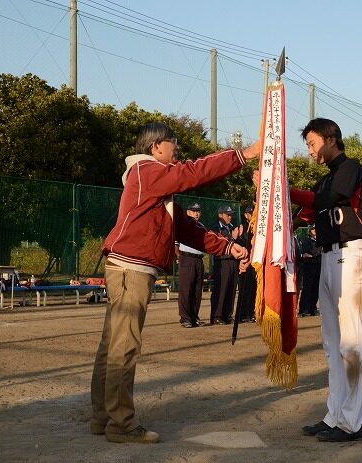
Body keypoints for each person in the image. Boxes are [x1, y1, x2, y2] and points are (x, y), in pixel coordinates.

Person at [91, 122, 259, 444]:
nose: (177, 148)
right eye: (173, 142)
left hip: (128, 269)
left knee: (112, 347)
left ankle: (104, 417)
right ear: (156, 147)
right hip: (131, 270)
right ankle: (120, 424)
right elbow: (193, 172)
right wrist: (244, 154)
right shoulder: (147, 171)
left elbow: (186, 228)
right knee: (123, 348)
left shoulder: (155, 184)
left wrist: (227, 246)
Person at [288, 118, 362, 442]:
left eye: (312, 143)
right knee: (332, 344)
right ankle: (335, 414)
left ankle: (353, 422)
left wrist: (287, 187)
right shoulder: (324, 181)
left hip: (351, 256)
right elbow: (304, 213)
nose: (310, 151)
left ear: (330, 138)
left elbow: (327, 199)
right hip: (327, 258)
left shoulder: (351, 169)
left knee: (351, 343)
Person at [176, 202, 205, 328]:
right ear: (188, 212)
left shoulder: (201, 226)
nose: (196, 213)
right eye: (193, 211)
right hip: (187, 258)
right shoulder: (183, 226)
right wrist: (179, 256)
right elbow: (175, 244)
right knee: (186, 290)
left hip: (199, 259)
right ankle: (185, 318)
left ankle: (194, 316)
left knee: (197, 291)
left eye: (198, 211)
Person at [209, 204, 240, 325]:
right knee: (220, 289)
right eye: (228, 215)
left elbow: (240, 243)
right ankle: (216, 315)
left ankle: (227, 315)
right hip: (221, 262)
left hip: (233, 261)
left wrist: (237, 237)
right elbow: (218, 245)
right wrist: (232, 238)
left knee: (231, 289)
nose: (230, 217)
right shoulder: (215, 229)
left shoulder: (232, 227)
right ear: (220, 215)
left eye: (231, 215)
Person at [235, 204, 257, 323]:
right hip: (245, 261)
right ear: (246, 215)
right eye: (250, 213)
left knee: (253, 288)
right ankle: (242, 314)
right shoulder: (243, 228)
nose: (252, 215)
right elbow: (241, 243)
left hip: (254, 262)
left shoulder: (258, 228)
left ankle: (250, 312)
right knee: (244, 289)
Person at [298, 225, 321, 317]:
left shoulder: (320, 241)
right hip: (309, 266)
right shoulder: (307, 241)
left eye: (316, 229)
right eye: (313, 229)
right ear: (310, 231)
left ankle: (312, 308)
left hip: (319, 265)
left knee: (316, 288)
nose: (315, 231)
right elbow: (305, 253)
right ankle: (304, 309)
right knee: (308, 287)